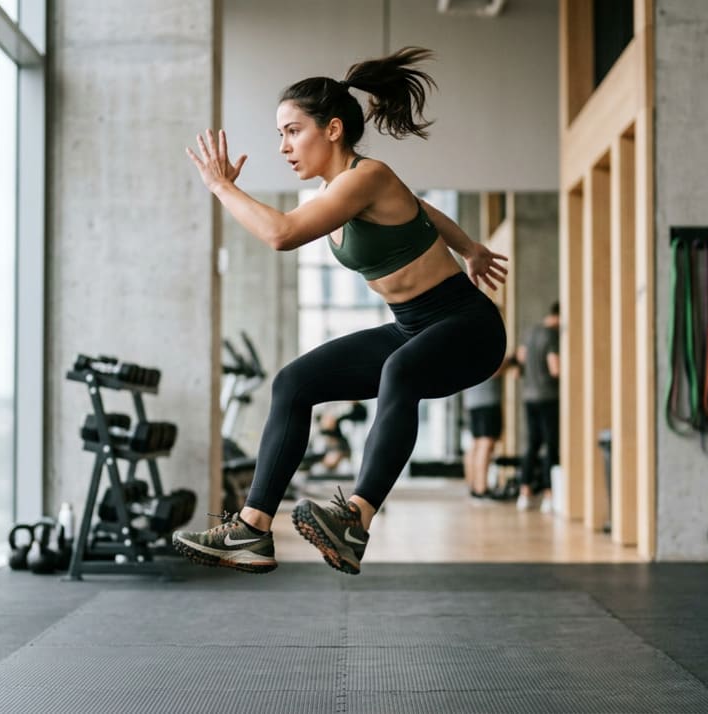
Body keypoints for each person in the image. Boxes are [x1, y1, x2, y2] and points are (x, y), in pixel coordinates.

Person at [174, 47, 508, 574]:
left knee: (400, 370)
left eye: (292, 131)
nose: (283, 146)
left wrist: (222, 187)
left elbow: (281, 235)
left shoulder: (367, 176)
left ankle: (355, 520)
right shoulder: (342, 192)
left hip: (468, 326)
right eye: (280, 134)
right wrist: (469, 247)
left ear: (332, 129)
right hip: (412, 326)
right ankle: (252, 530)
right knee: (293, 382)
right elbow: (423, 209)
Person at [516, 302, 560, 512]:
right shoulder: (551, 335)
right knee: (551, 444)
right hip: (548, 396)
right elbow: (555, 368)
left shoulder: (530, 332)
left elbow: (521, 359)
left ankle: (524, 492)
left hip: (529, 396)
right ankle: (549, 494)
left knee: (532, 443)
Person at [462, 358, 512, 499]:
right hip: (487, 400)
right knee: (486, 443)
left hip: (472, 400)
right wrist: (509, 362)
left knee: (477, 443)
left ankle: (473, 485)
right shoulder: (483, 342)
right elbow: (493, 369)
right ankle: (481, 488)